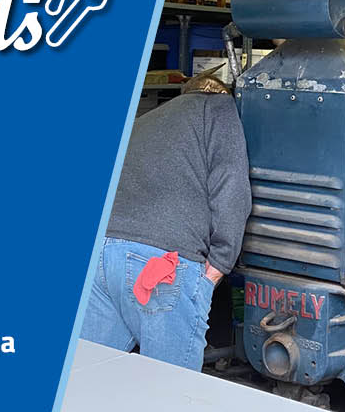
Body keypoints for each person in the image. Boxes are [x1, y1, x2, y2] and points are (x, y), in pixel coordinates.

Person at [80, 73, 251, 371]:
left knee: (88, 376)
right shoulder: (219, 110)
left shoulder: (148, 120)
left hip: (103, 258)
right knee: (171, 389)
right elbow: (232, 186)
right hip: (162, 266)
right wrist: (220, 264)